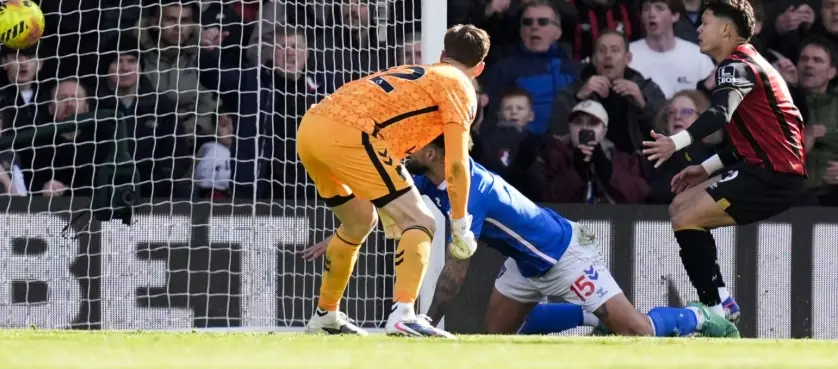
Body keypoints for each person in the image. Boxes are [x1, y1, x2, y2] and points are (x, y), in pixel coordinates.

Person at [305, 136, 738, 338]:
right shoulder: (435, 177)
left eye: (414, 147)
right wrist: (348, 232)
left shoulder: (466, 191)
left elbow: (457, 268)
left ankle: (701, 318)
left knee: (638, 333)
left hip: (562, 253)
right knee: (501, 338)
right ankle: (591, 317)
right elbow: (392, 207)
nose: (406, 152)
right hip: (524, 263)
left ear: (434, 153)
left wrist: (426, 321)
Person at [296, 24, 490, 337]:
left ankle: (325, 315)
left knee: (359, 220)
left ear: (442, 55)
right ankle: (404, 314)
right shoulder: (461, 86)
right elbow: (456, 162)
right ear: (479, 68)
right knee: (422, 222)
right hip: (352, 133)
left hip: (311, 127)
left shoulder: (419, 70)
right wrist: (460, 223)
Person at [643, 0, 806, 324]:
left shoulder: (738, 65)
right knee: (679, 208)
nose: (699, 30)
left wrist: (675, 143)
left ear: (727, 30)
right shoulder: (750, 63)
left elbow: (718, 112)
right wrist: (703, 168)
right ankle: (720, 301)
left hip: (774, 175)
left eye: (705, 23)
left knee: (686, 218)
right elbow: (748, 141)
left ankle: (717, 306)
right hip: (764, 169)